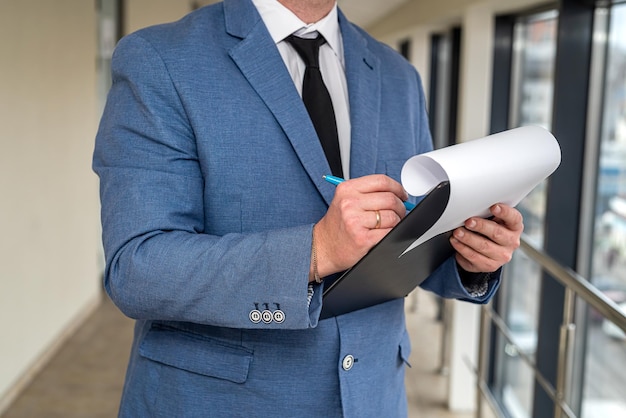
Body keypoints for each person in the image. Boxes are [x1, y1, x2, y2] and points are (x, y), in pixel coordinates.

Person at [92, 0, 523, 416]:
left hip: (374, 398)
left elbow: (410, 235)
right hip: (223, 401)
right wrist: (315, 251)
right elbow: (137, 268)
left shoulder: (398, 76)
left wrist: (469, 255)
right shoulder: (161, 59)